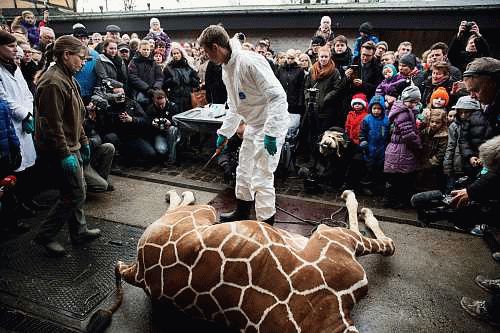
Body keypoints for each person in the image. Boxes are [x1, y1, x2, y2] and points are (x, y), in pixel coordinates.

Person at [197, 25, 289, 225]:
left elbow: (278, 97)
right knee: (244, 169)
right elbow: (234, 106)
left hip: (270, 123)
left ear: (215, 47)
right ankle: (242, 211)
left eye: (206, 51)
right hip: (254, 124)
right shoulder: (226, 68)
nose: (206, 56)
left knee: (262, 176)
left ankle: (266, 223)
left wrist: (272, 133)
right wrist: (225, 132)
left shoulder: (249, 61)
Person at [34, 35, 101, 257]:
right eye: (80, 58)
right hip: (60, 148)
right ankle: (45, 235)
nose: (83, 63)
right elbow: (52, 124)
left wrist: (82, 141)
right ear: (66, 55)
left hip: (72, 144)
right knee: (74, 194)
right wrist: (65, 153)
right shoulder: (53, 81)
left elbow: (75, 115)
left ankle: (79, 231)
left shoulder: (67, 76)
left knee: (75, 190)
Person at [0, 31, 38, 217]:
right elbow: (4, 99)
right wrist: (23, 115)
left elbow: (26, 93)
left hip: (25, 120)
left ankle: (28, 200)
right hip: (12, 124)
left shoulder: (15, 68)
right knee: (15, 169)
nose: (16, 49)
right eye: (11, 46)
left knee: (28, 165)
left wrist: (29, 115)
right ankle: (17, 208)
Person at [383, 84, 422, 208]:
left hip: (395, 148)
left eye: (415, 102)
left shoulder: (401, 109)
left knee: (394, 178)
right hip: (401, 149)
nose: (413, 105)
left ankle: (390, 200)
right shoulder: (403, 113)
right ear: (405, 100)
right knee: (401, 178)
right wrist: (418, 144)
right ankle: (396, 201)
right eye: (411, 102)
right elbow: (408, 134)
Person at [359, 95, 389, 194]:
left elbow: (388, 134)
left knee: (379, 169)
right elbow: (362, 132)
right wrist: (363, 141)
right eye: (374, 108)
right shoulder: (367, 119)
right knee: (369, 169)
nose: (376, 111)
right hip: (369, 148)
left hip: (382, 148)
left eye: (379, 108)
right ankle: (366, 186)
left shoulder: (386, 120)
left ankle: (377, 186)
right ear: (371, 108)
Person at [145, 89, 180, 165]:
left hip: (173, 133)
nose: (161, 107)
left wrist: (170, 122)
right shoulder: (150, 108)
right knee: (161, 150)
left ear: (166, 99)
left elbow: (179, 121)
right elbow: (146, 122)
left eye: (162, 104)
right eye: (158, 104)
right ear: (154, 100)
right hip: (159, 133)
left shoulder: (173, 106)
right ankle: (168, 150)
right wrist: (152, 123)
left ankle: (172, 158)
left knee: (172, 129)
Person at [162, 42, 200, 112]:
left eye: (177, 53)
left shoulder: (188, 66)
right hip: (174, 98)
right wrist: (172, 80)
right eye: (174, 54)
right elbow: (163, 84)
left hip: (188, 98)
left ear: (181, 53)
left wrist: (191, 79)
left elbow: (196, 82)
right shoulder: (168, 68)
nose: (176, 55)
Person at [128, 40, 164, 106]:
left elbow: (159, 77)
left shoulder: (153, 62)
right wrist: (147, 89)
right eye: (144, 49)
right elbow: (133, 77)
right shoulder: (134, 62)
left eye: (148, 49)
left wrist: (156, 88)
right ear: (139, 50)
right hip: (140, 92)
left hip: (154, 92)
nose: (146, 51)